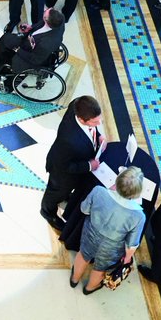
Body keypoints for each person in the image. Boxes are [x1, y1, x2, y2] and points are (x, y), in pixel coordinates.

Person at [71, 166, 145, 294]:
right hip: (112, 248)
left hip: (90, 234)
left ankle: (74, 279)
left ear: (118, 180)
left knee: (83, 255)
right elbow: (131, 245)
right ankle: (90, 288)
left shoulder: (98, 191)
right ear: (137, 192)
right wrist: (127, 258)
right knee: (101, 268)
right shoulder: (139, 216)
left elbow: (84, 209)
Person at [40, 95, 104, 230]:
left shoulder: (77, 104)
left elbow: (92, 126)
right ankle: (47, 213)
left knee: (67, 191)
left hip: (75, 161)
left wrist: (98, 135)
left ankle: (65, 196)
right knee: (55, 193)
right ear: (81, 119)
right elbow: (63, 166)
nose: (99, 123)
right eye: (95, 122)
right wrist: (89, 165)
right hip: (62, 175)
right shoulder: (68, 140)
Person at [0, 7, 66, 87]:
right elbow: (40, 26)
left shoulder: (46, 43)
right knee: (5, 38)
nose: (44, 10)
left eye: (45, 12)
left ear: (47, 20)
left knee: (8, 50)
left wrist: (19, 50)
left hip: (30, 55)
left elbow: (35, 59)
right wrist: (30, 28)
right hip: (29, 42)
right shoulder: (59, 19)